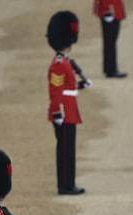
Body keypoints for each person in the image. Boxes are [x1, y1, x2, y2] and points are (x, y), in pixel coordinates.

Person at [46, 10, 90, 195]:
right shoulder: (58, 64)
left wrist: (82, 83)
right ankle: (65, 185)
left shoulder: (65, 62)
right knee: (65, 151)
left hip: (69, 110)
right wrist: (58, 112)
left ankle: (68, 183)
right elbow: (56, 91)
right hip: (63, 112)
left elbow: (67, 88)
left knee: (69, 150)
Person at [93, 0, 127, 78]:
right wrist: (107, 9)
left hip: (112, 9)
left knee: (111, 41)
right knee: (110, 41)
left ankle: (109, 68)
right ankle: (111, 70)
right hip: (109, 9)